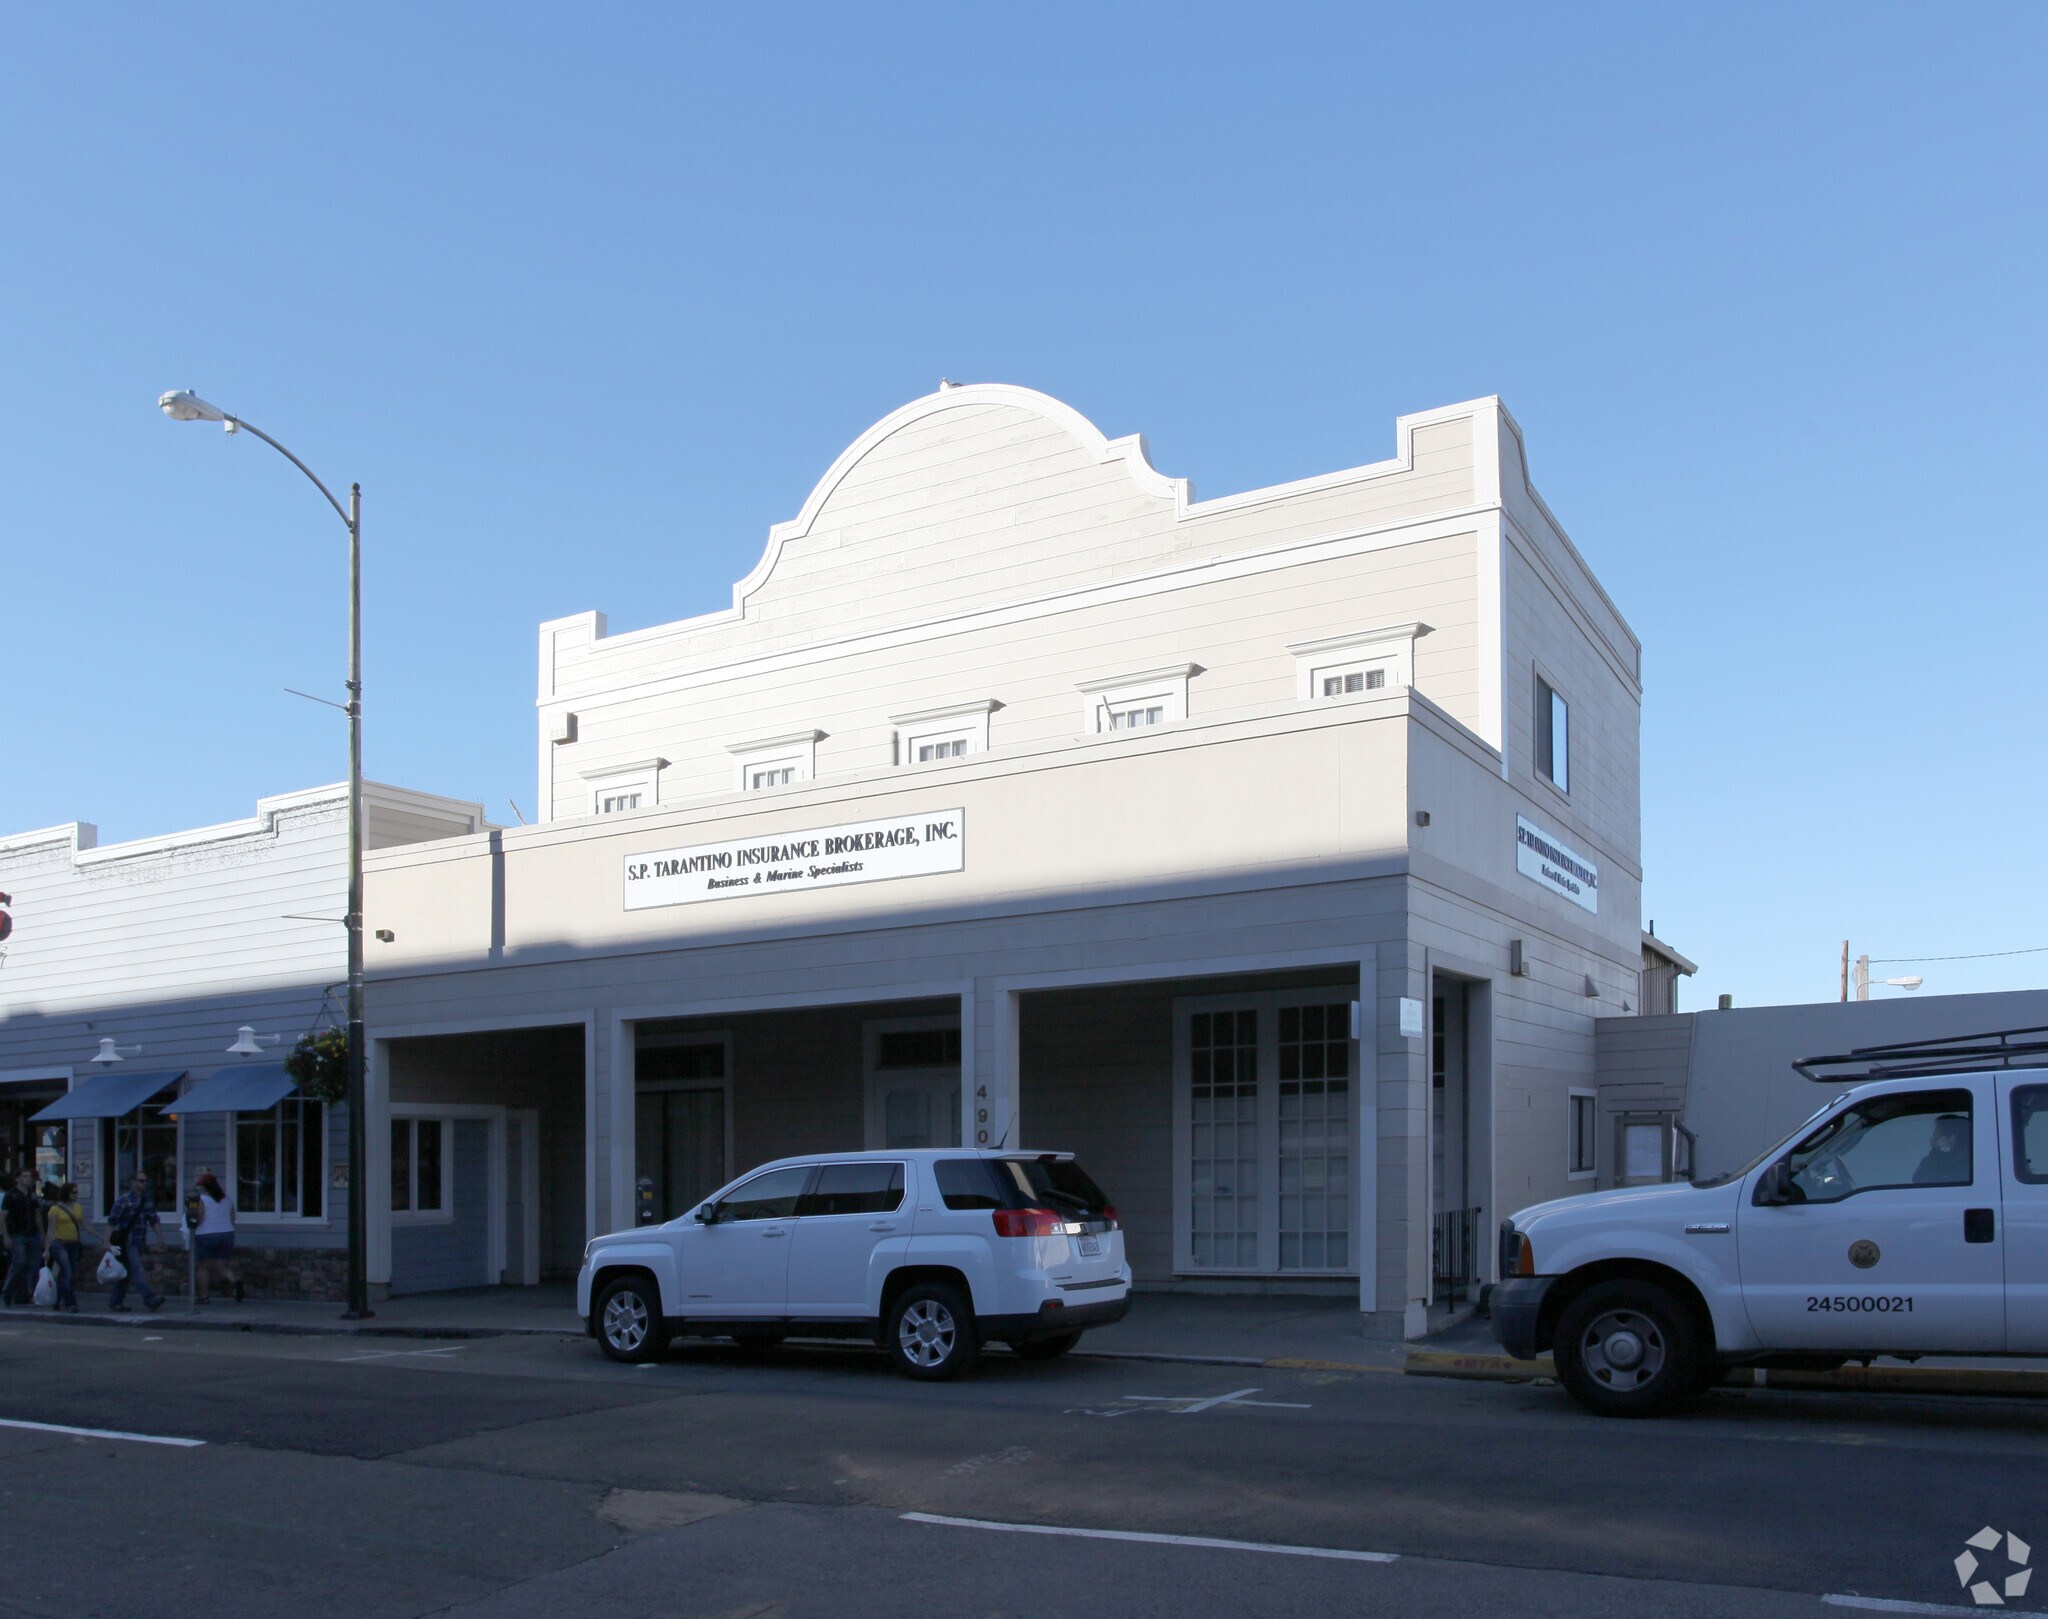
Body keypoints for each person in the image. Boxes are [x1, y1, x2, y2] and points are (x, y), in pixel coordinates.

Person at [104, 1171, 164, 1312]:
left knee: (126, 1272)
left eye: (145, 1181)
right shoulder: (123, 1200)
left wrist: (159, 1237)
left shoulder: (147, 1200)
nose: (143, 1183)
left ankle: (115, 1301)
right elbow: (112, 1222)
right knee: (138, 1269)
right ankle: (150, 1299)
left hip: (140, 1241)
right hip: (127, 1242)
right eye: (140, 1180)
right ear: (133, 1182)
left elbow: (154, 1220)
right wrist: (106, 1241)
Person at [192, 1170, 242, 1304]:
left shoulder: (202, 1199)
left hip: (206, 1234)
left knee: (203, 1267)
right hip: (227, 1234)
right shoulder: (228, 1199)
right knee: (222, 1265)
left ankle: (204, 1296)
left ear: (204, 1186)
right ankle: (235, 1282)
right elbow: (232, 1219)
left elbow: (200, 1219)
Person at [2, 1169, 43, 1307]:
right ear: (17, 1179)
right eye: (24, 1176)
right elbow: (3, 1216)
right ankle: (7, 1290)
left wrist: (42, 1235)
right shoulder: (11, 1195)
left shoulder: (32, 1196)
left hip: (32, 1233)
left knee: (32, 1265)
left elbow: (37, 1215)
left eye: (29, 1177)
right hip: (17, 1234)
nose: (28, 1179)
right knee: (19, 1262)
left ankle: (23, 1295)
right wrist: (6, 1236)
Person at [41, 1182, 85, 1312]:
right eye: (73, 1192)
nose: (76, 1195)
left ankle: (56, 1299)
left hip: (74, 1243)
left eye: (77, 1192)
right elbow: (50, 1230)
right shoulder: (55, 1209)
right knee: (67, 1272)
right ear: (67, 1193)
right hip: (59, 1244)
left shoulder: (78, 1207)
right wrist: (47, 1249)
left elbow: (84, 1225)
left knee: (66, 1274)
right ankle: (71, 1303)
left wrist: (101, 1238)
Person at [1913, 1115, 1971, 1186]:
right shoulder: (1942, 1159)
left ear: (1951, 1138)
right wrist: (1936, 1151)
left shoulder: (1966, 1162)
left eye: (1937, 1131)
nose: (1933, 1134)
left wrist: (1936, 1150)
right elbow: (1918, 1179)